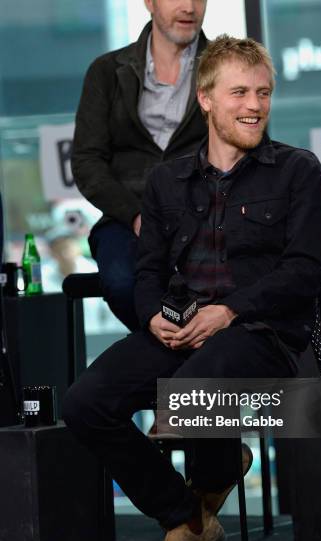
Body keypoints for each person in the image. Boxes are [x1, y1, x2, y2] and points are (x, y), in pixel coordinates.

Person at [63, 35, 321, 541]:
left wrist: (230, 312)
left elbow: (303, 271)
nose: (254, 106)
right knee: (83, 402)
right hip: (183, 329)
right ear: (205, 99)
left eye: (263, 93)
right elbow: (149, 272)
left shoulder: (299, 171)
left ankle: (208, 484)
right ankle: (186, 516)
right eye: (239, 93)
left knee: (190, 392)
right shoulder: (166, 181)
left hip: (260, 332)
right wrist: (152, 316)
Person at [71, 0, 208, 331]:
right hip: (126, 214)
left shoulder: (225, 66)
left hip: (205, 212)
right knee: (121, 281)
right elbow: (87, 160)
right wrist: (134, 215)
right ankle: (167, 355)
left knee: (213, 287)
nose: (189, 7)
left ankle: (184, 364)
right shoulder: (106, 71)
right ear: (149, 2)